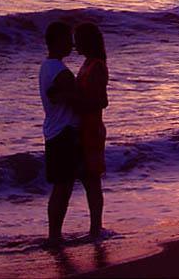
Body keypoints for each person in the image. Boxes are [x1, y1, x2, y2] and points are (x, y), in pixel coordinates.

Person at [38, 21, 81, 246]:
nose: (72, 45)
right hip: (64, 131)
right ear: (56, 41)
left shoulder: (47, 66)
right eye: (67, 39)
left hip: (54, 130)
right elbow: (72, 96)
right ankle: (55, 235)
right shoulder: (58, 70)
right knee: (63, 187)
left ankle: (55, 234)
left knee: (60, 186)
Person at [74, 22, 110, 239]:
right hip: (84, 126)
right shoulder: (88, 63)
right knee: (88, 178)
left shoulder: (96, 65)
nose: (74, 44)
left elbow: (101, 101)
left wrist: (74, 101)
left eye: (78, 39)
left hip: (92, 128)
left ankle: (96, 227)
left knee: (92, 179)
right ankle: (94, 227)